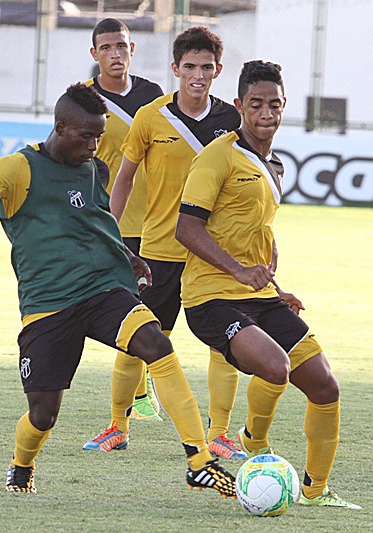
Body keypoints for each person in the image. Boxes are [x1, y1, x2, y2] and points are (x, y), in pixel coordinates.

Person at [0, 83, 236, 498]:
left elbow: (96, 220)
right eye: (87, 136)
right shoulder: (18, 169)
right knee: (43, 415)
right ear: (60, 127)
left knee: (155, 343)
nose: (94, 145)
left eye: (99, 137)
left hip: (103, 290)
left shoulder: (91, 168)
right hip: (48, 306)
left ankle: (198, 460)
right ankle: (22, 465)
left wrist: (129, 255)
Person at [175, 60, 361, 509]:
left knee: (325, 387)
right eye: (255, 104)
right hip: (210, 298)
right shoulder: (218, 155)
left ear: (284, 107)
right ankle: (253, 441)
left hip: (260, 297)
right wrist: (238, 271)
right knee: (275, 367)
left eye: (274, 104)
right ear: (239, 105)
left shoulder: (273, 163)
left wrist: (275, 288)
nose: (265, 113)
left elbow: (252, 230)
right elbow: (187, 228)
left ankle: (316, 491)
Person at [98, 26, 247, 460]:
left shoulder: (230, 122)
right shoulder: (150, 117)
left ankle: (219, 433)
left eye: (206, 68)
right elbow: (124, 179)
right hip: (159, 250)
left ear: (218, 70)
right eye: (189, 67)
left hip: (212, 254)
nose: (197, 75)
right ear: (175, 69)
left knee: (228, 343)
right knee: (140, 338)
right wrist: (110, 230)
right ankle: (118, 426)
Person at [81, 18, 166, 434]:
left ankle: (139, 398)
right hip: (109, 221)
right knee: (125, 310)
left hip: (157, 221)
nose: (116, 53)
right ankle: (129, 407)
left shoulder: (154, 96)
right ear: (94, 54)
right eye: (107, 47)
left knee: (149, 310)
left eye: (123, 46)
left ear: (133, 49)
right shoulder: (83, 99)